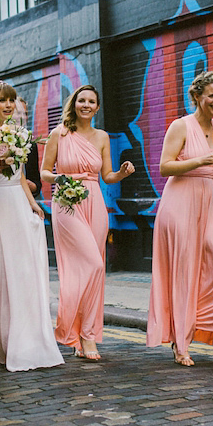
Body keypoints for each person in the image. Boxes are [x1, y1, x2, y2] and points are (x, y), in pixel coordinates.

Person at [146, 72, 213, 366]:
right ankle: (181, 343)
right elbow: (165, 167)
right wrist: (202, 161)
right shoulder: (180, 126)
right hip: (180, 204)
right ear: (197, 97)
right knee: (185, 273)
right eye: (212, 96)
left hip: (209, 202)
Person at [0, 80, 64, 372]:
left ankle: (18, 339)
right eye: (1, 100)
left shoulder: (19, 134)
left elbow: (18, 175)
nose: (7, 105)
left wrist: (32, 203)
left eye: (11, 101)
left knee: (18, 273)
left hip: (15, 204)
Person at [40, 85, 134, 361]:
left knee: (95, 268)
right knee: (89, 264)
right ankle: (72, 328)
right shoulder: (59, 134)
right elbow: (45, 172)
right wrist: (60, 179)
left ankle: (87, 335)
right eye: (82, 100)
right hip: (67, 202)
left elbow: (107, 176)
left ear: (97, 107)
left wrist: (122, 173)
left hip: (94, 202)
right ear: (75, 103)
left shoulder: (103, 137)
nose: (86, 105)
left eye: (91, 101)